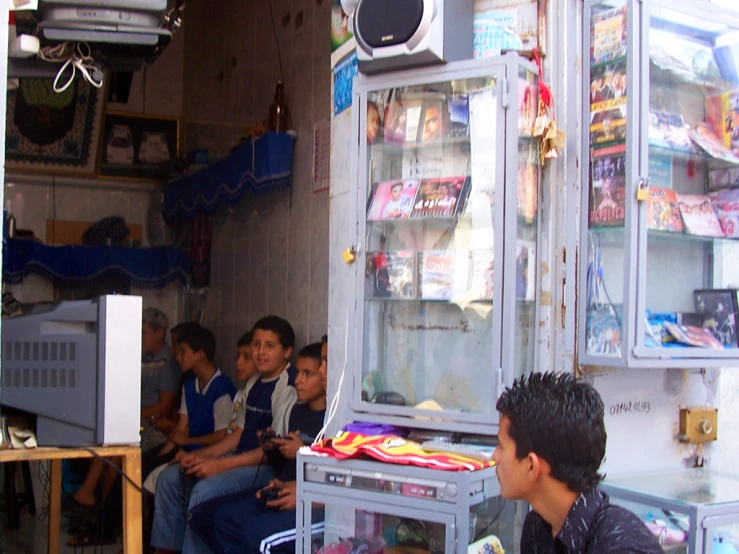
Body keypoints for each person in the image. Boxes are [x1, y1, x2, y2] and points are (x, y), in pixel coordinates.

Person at [150, 315, 298, 554]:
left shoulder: (287, 387)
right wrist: (201, 456)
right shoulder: (254, 382)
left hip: (265, 468)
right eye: (257, 344)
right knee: (170, 477)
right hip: (240, 459)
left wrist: (219, 466)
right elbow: (237, 435)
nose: (260, 352)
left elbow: (271, 452)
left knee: (203, 490)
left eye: (270, 346)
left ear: (287, 351)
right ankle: (168, 549)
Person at [493, 373, 662, 554]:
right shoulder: (537, 529)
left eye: (502, 447)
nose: (495, 456)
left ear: (532, 466)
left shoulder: (621, 547)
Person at [187, 341, 327, 553]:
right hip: (283, 488)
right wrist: (272, 447)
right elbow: (283, 465)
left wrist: (302, 452)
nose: (297, 381)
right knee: (205, 516)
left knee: (253, 531)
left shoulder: (333, 418)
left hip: (310, 496)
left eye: (307, 374)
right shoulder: (296, 411)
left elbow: (334, 475)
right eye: (298, 372)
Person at [69, 308, 179, 509]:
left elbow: (164, 405)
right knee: (107, 439)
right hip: (138, 420)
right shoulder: (145, 359)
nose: (139, 337)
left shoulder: (168, 364)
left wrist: (131, 416)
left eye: (143, 332)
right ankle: (97, 507)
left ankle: (102, 511)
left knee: (116, 450)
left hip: (153, 427)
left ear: (159, 333)